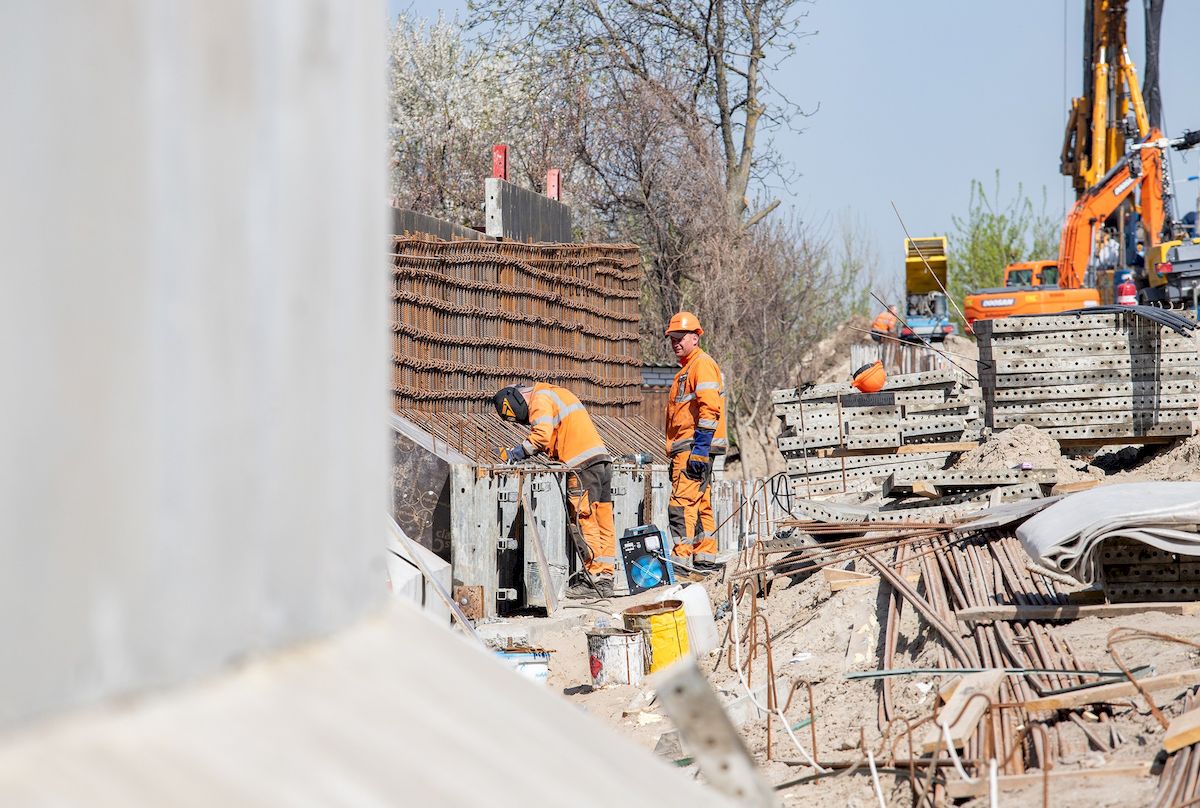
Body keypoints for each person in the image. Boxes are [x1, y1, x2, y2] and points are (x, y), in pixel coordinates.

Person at [494, 383, 616, 598]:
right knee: (602, 521)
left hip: (582, 466)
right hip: (601, 462)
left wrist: (515, 453)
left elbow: (541, 436)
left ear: (518, 399)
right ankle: (605, 577)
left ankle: (593, 579)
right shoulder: (556, 392)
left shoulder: (539, 398)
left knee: (583, 520)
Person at [663, 311, 726, 562]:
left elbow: (710, 407)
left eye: (681, 337)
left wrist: (700, 448)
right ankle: (705, 557)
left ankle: (681, 560)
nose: (675, 342)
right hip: (691, 447)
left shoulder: (700, 365)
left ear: (695, 338)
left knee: (680, 505)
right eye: (672, 338)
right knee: (701, 504)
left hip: (693, 447)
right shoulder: (688, 369)